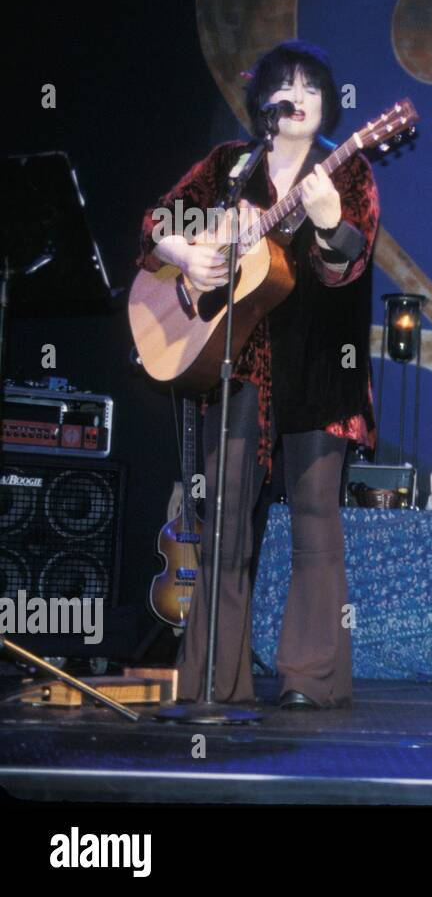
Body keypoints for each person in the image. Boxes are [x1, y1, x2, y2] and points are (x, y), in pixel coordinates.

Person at [136, 40, 380, 709]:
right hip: (240, 364)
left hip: (321, 365)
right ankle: (215, 676)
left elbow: (347, 264)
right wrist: (188, 254)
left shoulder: (349, 170)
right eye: (286, 85)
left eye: (312, 87)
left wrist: (331, 226)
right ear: (264, 102)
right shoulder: (229, 167)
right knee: (225, 529)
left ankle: (308, 678)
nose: (298, 95)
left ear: (327, 105)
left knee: (314, 521)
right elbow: (157, 220)